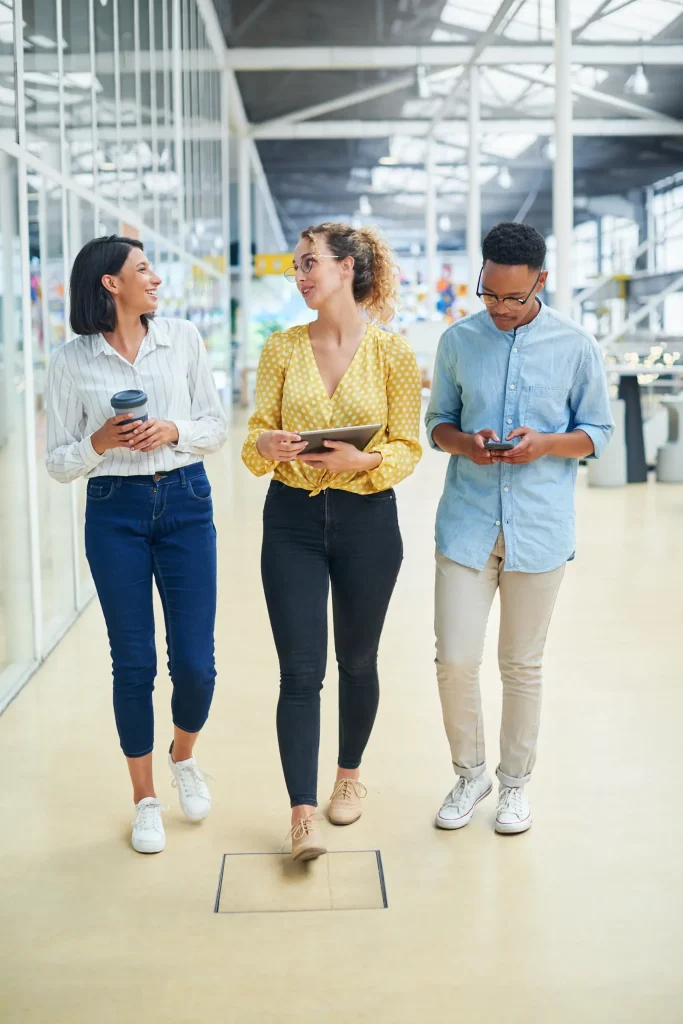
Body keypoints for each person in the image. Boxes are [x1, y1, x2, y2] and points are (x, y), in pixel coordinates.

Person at [425, 222, 613, 836]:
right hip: (467, 525)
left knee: (521, 664)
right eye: (489, 294)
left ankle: (514, 785)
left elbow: (598, 433)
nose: (500, 308)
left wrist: (547, 445)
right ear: (480, 277)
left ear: (540, 281)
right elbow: (438, 424)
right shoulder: (458, 341)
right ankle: (469, 772)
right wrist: (467, 444)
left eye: (513, 297)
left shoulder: (575, 345)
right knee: (454, 659)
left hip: (539, 528)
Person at [242, 222, 422, 861]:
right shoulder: (280, 349)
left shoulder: (392, 354)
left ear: (348, 268)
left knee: (359, 661)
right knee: (299, 671)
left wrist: (363, 464)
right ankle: (301, 814)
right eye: (295, 266)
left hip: (369, 522)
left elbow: (408, 445)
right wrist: (266, 444)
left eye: (310, 263)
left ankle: (349, 775)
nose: (300, 275)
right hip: (291, 519)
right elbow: (255, 437)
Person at [46, 235, 227, 854]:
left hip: (185, 500)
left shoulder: (183, 339)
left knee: (196, 665)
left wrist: (173, 429)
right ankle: (145, 799)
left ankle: (184, 756)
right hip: (113, 511)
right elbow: (59, 463)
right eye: (143, 269)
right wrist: (99, 442)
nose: (155, 278)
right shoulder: (72, 361)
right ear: (110, 284)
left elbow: (215, 424)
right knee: (134, 663)